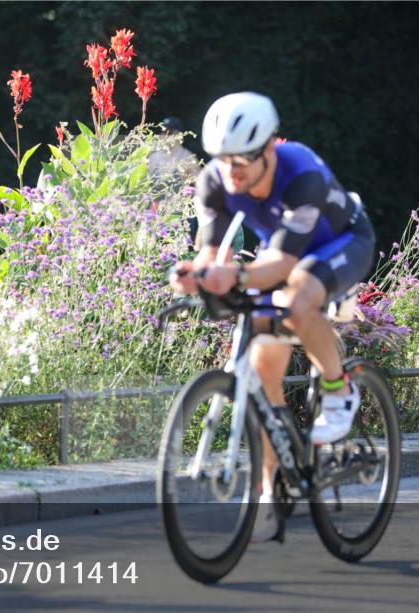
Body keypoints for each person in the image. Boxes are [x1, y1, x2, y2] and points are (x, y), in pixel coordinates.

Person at [169, 92, 376, 541]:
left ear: (268, 149)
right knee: (262, 375)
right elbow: (209, 252)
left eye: (242, 158)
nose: (232, 170)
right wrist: (196, 275)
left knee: (295, 302)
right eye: (223, 159)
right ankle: (268, 488)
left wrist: (234, 273)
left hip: (342, 242)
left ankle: (339, 390)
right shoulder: (215, 182)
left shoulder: (300, 172)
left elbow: (283, 266)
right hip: (281, 251)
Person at [147, 117, 201, 245]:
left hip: (180, 217)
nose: (164, 136)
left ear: (178, 135)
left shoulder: (188, 158)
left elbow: (200, 186)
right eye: (162, 132)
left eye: (169, 133)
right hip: (155, 214)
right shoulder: (153, 157)